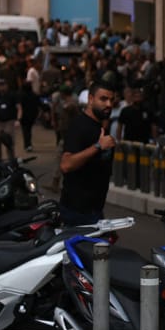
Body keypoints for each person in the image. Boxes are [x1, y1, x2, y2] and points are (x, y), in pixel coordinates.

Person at [59, 77, 118, 226]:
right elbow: (66, 165)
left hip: (94, 211)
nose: (109, 104)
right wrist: (98, 146)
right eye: (103, 99)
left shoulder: (99, 127)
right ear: (91, 99)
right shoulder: (79, 126)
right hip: (76, 213)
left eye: (111, 100)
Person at [0, 78, 18, 163]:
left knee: (8, 139)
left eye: (4, 85)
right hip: (0, 121)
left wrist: (18, 120)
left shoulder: (11, 95)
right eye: (0, 85)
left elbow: (19, 107)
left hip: (9, 121)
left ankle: (11, 159)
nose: (2, 87)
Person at [20, 56, 42, 151]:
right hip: (32, 96)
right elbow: (29, 82)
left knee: (27, 128)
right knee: (27, 128)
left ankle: (28, 144)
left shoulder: (33, 71)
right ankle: (28, 144)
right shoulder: (32, 71)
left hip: (33, 96)